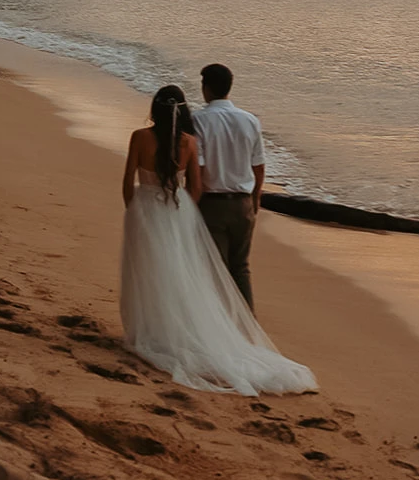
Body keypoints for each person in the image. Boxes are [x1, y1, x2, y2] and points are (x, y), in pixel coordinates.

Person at [119, 84, 315, 395]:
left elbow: (128, 181)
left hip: (146, 208)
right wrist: (185, 211)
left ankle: (150, 332)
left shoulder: (139, 137)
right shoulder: (189, 142)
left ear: (155, 108)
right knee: (181, 274)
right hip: (178, 210)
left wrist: (135, 208)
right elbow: (195, 187)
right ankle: (182, 330)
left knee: (147, 271)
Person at [192, 62, 265, 308]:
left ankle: (218, 323)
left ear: (206, 88)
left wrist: (193, 202)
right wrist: (255, 198)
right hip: (243, 202)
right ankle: (247, 322)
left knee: (215, 268)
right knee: (241, 268)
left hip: (213, 202)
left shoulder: (199, 120)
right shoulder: (250, 120)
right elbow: (259, 166)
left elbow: (199, 169)